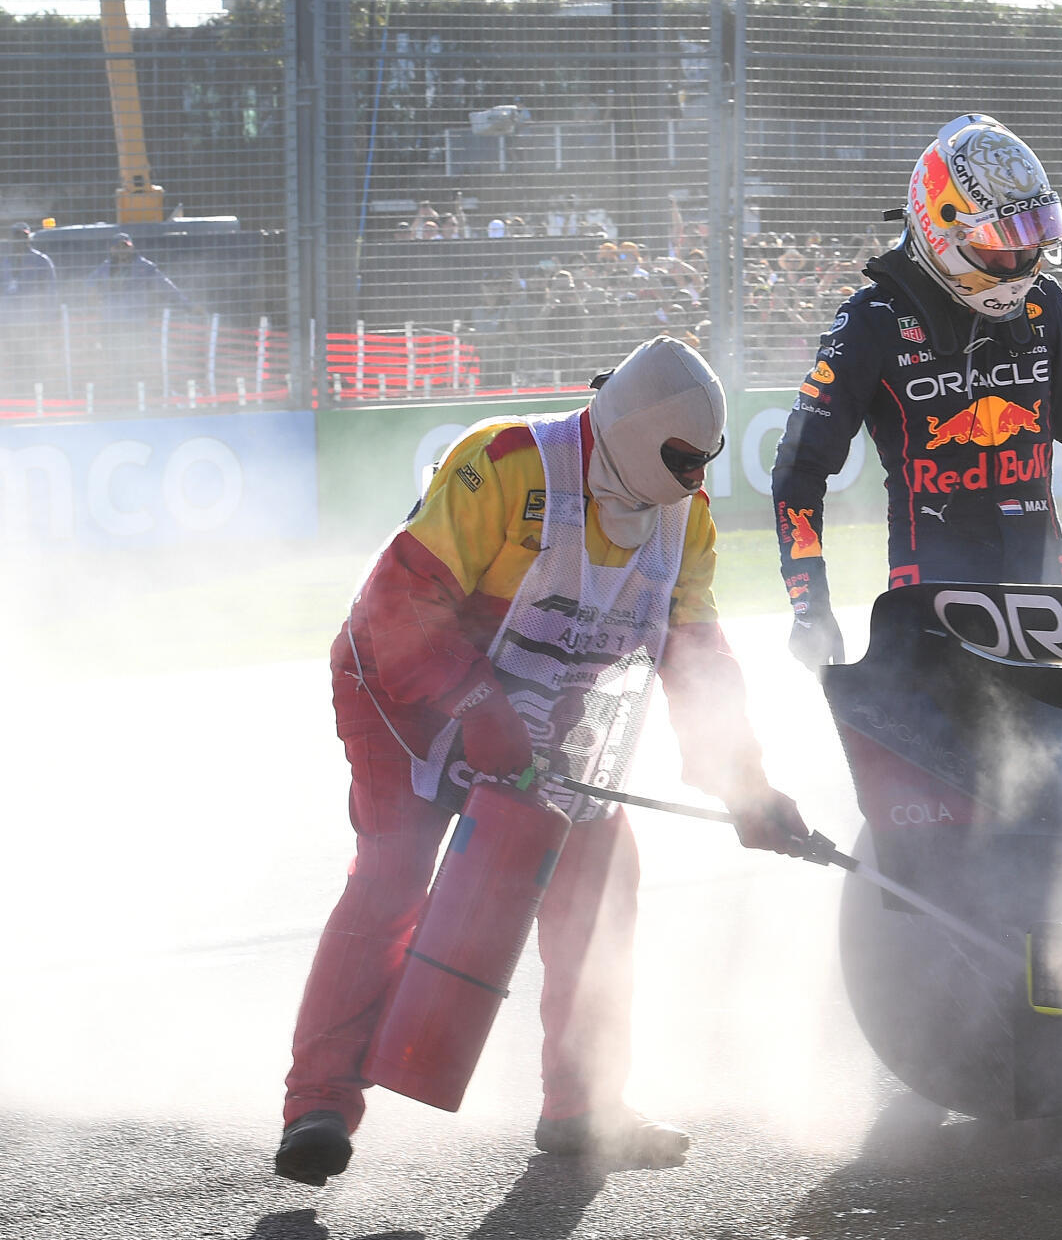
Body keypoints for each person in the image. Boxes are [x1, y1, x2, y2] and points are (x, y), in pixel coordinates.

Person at [275, 336, 809, 1187]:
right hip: (401, 699)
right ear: (634, 433)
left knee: (601, 887)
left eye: (705, 462)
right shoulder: (507, 465)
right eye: (683, 459)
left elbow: (699, 659)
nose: (697, 480)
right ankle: (320, 1105)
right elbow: (394, 607)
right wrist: (478, 707)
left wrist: (746, 784)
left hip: (545, 719)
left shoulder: (685, 519)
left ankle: (584, 1106)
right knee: (394, 875)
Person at [771, 113, 1062, 668]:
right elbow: (799, 469)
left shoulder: (1046, 307)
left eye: (1027, 244)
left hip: (1044, 581)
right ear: (943, 233)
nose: (1016, 266)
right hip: (931, 591)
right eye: (998, 248)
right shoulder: (871, 322)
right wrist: (809, 603)